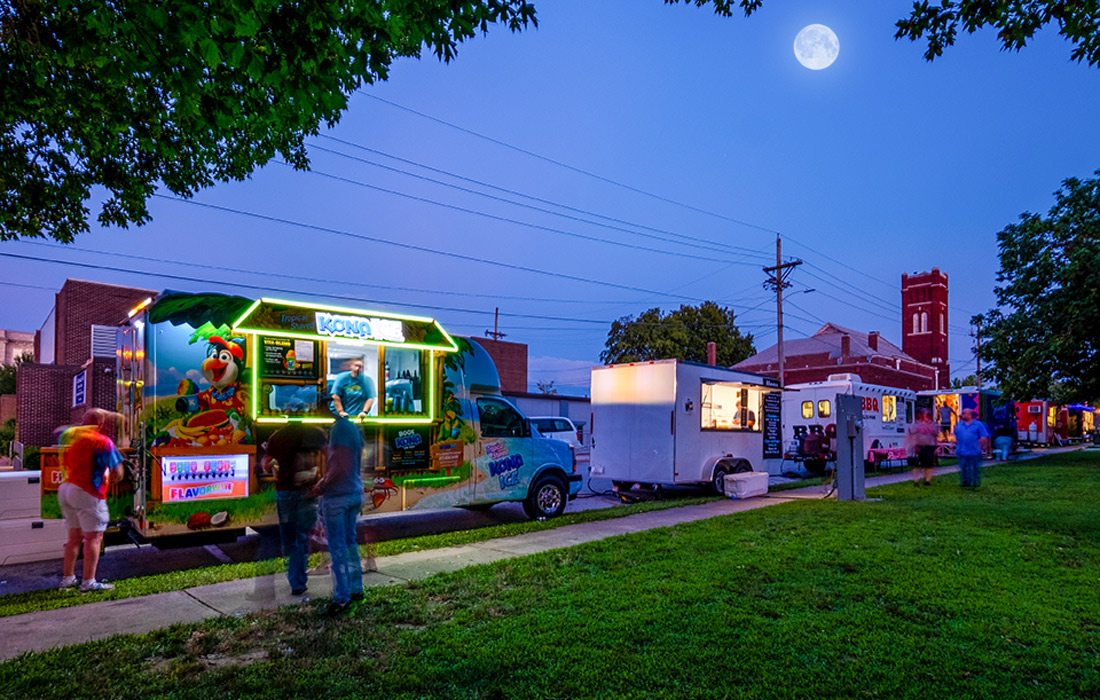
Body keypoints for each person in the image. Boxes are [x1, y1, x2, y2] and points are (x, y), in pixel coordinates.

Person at [58, 409, 125, 592]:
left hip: (66, 489)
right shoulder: (102, 442)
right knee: (94, 538)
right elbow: (118, 472)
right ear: (101, 424)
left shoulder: (73, 438)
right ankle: (88, 582)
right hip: (87, 491)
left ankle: (68, 579)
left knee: (73, 538)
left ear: (83, 421)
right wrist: (110, 481)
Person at [261, 422, 327, 596]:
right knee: (301, 537)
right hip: (306, 491)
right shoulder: (314, 432)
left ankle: (294, 574)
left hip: (284, 492)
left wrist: (274, 467)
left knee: (290, 537)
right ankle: (297, 578)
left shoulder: (277, 436)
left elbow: (265, 463)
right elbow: (328, 455)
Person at [311, 417, 365, 614]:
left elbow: (340, 466)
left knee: (338, 547)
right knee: (350, 542)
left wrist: (321, 485)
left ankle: (342, 597)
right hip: (354, 493)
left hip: (338, 497)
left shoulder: (339, 429)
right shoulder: (353, 429)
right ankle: (356, 588)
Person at [954, 408, 990, 489]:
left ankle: (974, 483)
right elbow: (956, 436)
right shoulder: (959, 425)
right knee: (963, 467)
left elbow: (984, 436)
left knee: (974, 468)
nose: (963, 415)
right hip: (961, 451)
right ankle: (965, 482)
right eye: (962, 413)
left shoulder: (978, 425)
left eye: (965, 413)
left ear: (970, 415)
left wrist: (982, 446)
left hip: (974, 451)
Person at [908, 408, 939, 486]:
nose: (927, 416)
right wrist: (914, 445)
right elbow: (912, 435)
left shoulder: (933, 424)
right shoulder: (916, 424)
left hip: (930, 446)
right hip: (919, 446)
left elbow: (935, 435)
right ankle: (916, 481)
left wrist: (936, 447)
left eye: (928, 414)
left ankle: (927, 480)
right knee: (917, 465)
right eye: (925, 414)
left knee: (929, 464)